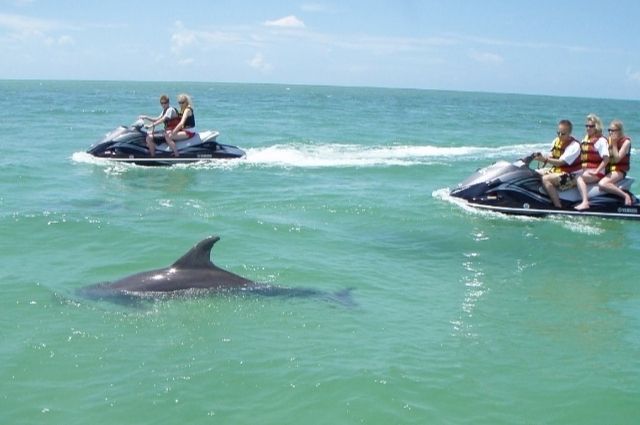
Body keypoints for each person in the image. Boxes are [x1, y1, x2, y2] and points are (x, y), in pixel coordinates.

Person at [533, 119, 581, 208]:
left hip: (572, 175)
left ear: (569, 133)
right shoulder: (556, 141)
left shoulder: (574, 146)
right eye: (558, 133)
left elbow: (560, 163)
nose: (559, 136)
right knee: (534, 173)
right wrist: (539, 156)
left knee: (546, 179)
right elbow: (552, 155)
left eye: (563, 134)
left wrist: (545, 160)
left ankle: (557, 205)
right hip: (558, 171)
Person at [574, 113, 610, 211]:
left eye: (591, 126)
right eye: (587, 126)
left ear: (596, 127)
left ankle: (585, 202)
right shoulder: (586, 139)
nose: (588, 128)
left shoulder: (601, 141)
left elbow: (606, 159)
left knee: (578, 177)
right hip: (586, 170)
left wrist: (597, 171)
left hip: (597, 173)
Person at [599, 119, 632, 205]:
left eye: (613, 131)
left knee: (602, 184)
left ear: (619, 131)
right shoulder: (608, 140)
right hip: (608, 169)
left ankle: (625, 196)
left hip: (619, 170)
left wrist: (613, 143)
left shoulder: (626, 142)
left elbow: (617, 159)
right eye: (609, 130)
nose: (610, 133)